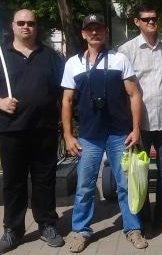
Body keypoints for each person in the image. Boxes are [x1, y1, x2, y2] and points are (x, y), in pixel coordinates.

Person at [0, 9, 64, 254]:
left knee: (44, 181)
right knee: (13, 183)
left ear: (36, 27)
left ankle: (47, 224)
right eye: (21, 23)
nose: (26, 27)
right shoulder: (0, 56)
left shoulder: (50, 56)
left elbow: (64, 90)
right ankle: (13, 230)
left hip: (44, 130)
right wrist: (0, 102)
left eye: (31, 23)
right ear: (13, 25)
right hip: (11, 131)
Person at [61, 14, 148, 252]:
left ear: (106, 32)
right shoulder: (73, 64)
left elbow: (134, 95)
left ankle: (133, 228)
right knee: (85, 186)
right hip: (89, 136)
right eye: (89, 29)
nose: (94, 32)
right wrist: (68, 136)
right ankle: (80, 231)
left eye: (98, 28)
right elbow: (67, 101)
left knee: (125, 185)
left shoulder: (119, 59)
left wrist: (136, 129)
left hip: (119, 134)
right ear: (83, 34)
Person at [118, 4, 162, 235]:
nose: (151, 22)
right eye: (146, 19)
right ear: (136, 22)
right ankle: (143, 216)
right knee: (141, 171)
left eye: (154, 18)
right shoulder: (126, 50)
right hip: (140, 125)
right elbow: (122, 88)